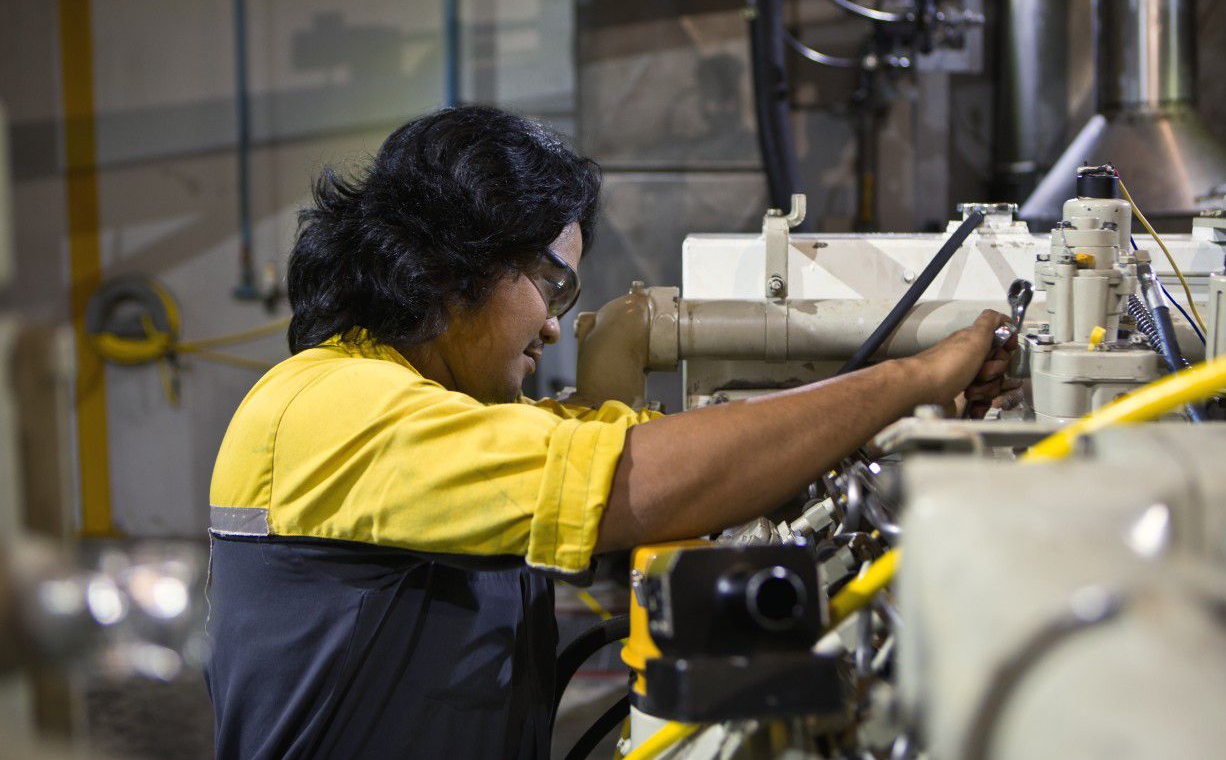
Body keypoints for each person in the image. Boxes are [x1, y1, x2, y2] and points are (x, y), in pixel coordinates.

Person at [205, 105, 1015, 759]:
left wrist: (904, 417)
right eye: (551, 284)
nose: (555, 330)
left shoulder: (444, 414)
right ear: (455, 258)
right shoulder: (328, 407)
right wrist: (908, 379)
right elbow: (635, 475)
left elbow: (671, 449)